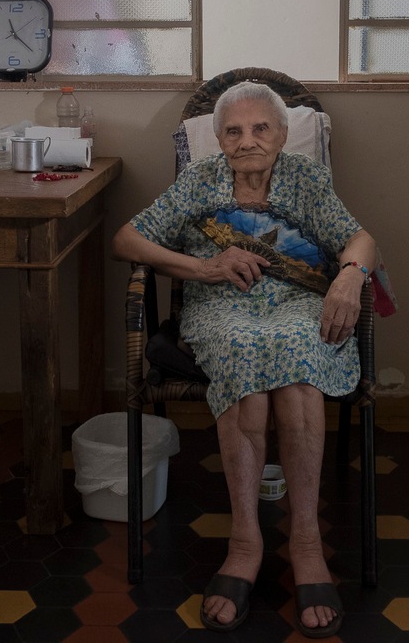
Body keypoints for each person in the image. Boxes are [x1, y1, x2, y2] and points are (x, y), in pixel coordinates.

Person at [112, 81, 376, 638]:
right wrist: (204, 267)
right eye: (233, 131)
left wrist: (349, 278)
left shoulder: (307, 179)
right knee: (245, 365)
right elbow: (128, 240)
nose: (247, 141)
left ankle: (306, 541)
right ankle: (245, 542)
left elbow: (359, 240)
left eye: (261, 129)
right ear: (217, 138)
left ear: (282, 136)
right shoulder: (198, 182)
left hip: (298, 304)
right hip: (219, 308)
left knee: (298, 365)